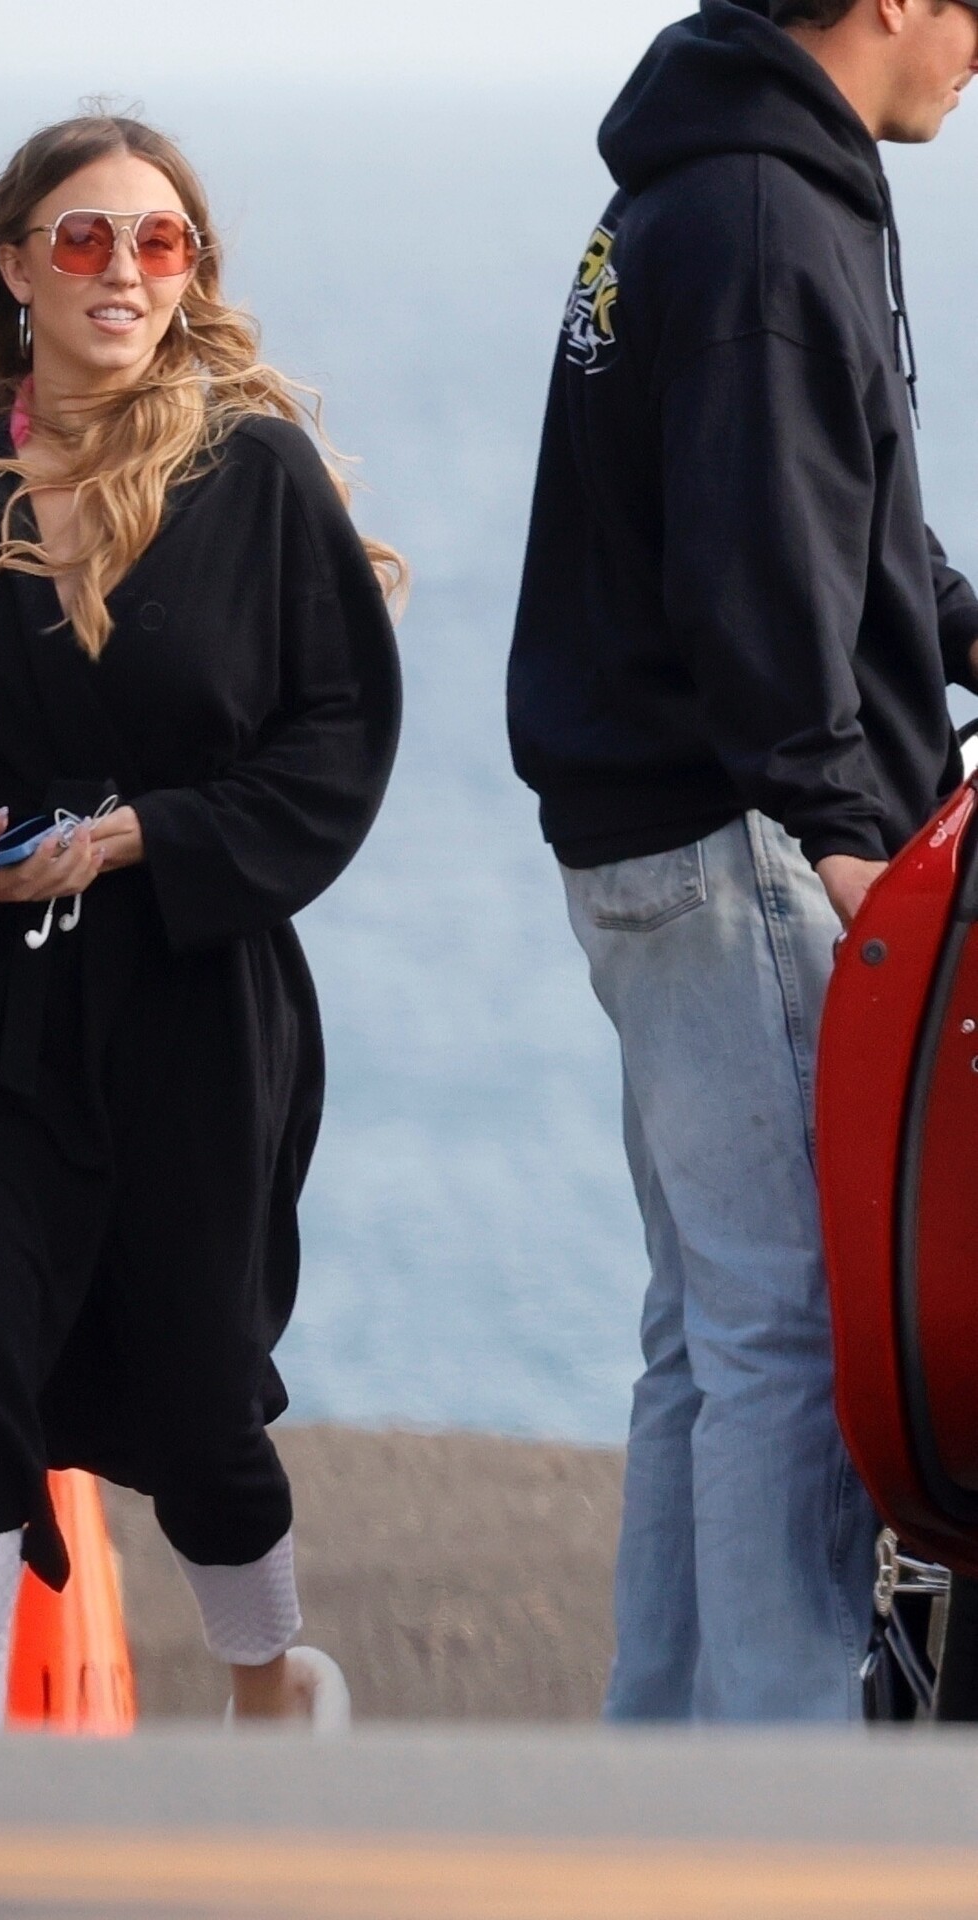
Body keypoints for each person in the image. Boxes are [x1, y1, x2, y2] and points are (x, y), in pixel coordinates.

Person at [0, 115, 403, 1730]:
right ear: (17, 266)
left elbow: (338, 731)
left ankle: (267, 1685)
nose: (121, 269)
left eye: (157, 241)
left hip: (191, 1001)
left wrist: (152, 837)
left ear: (188, 275)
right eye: (82, 237)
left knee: (199, 1395)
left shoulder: (253, 479)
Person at [508, 0, 978, 1722]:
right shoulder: (765, 212)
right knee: (785, 1322)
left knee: (704, 1326)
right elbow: (751, 568)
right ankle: (777, 1796)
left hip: (661, 837)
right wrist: (844, 836)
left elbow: (842, 513)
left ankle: (663, 1762)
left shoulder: (706, 181)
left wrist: (961, 636)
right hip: (738, 847)